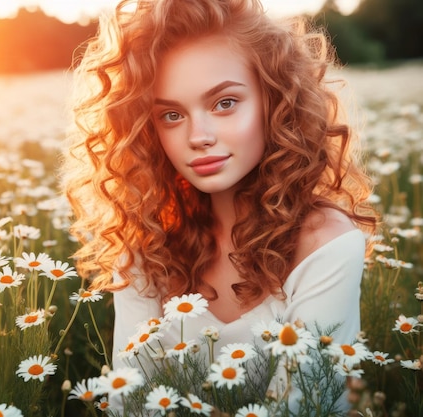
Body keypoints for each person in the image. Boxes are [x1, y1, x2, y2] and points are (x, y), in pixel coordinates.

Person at [61, 0, 377, 411]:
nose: (199, 136)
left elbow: (307, 404)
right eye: (172, 115)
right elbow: (132, 402)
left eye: (224, 103)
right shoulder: (146, 241)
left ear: (276, 100)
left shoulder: (325, 244)